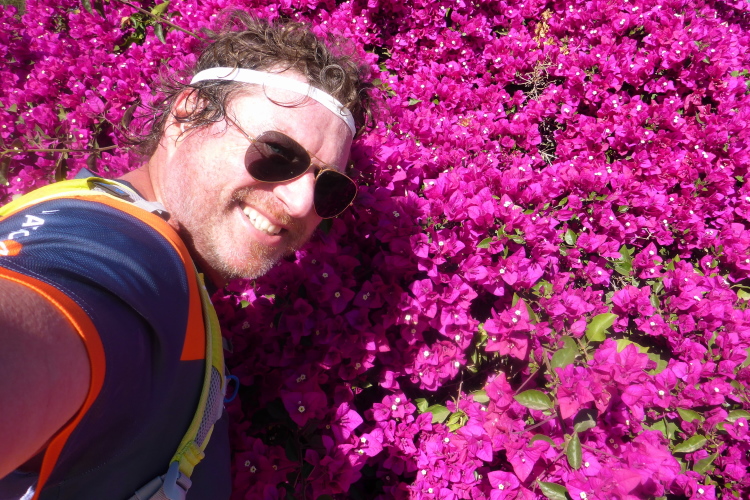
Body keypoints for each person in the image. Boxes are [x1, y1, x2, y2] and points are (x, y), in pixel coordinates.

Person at [0, 12, 371, 500]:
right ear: (186, 116)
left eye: (329, 187)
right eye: (279, 154)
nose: (302, 203)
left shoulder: (83, 209)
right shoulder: (121, 260)